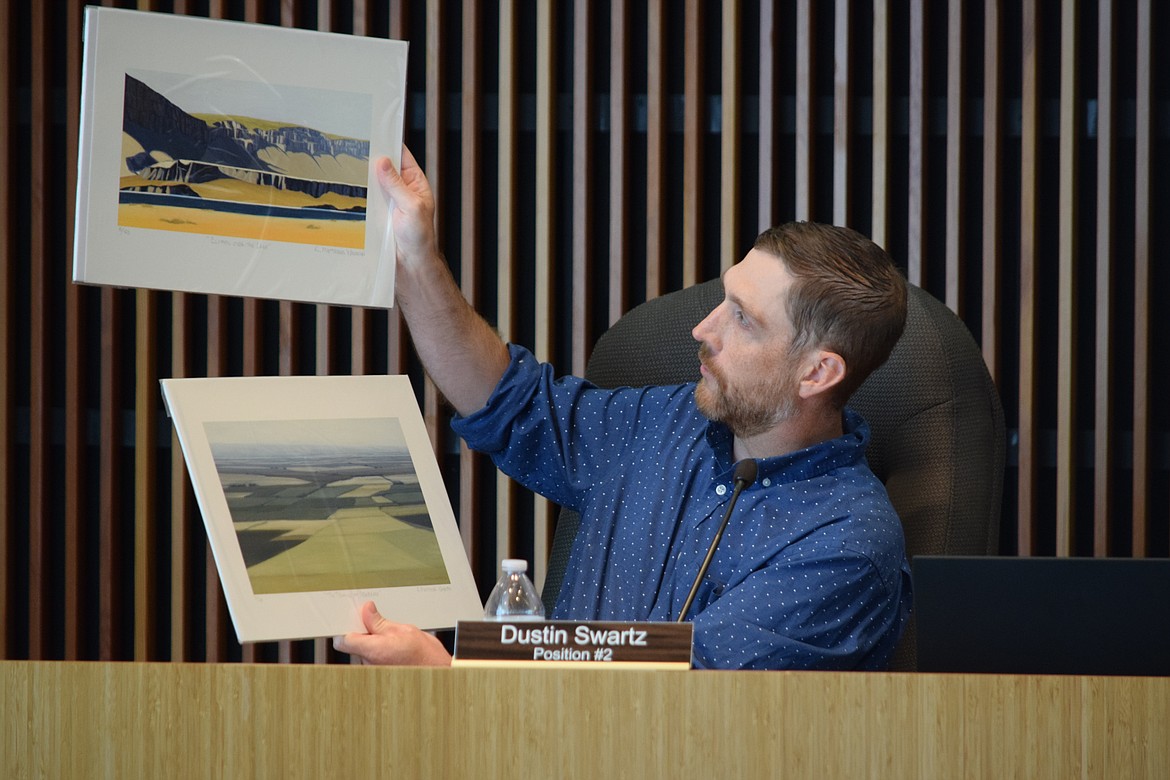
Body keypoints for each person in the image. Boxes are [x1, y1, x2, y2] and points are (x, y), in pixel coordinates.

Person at [334, 147, 912, 669]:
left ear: (818, 372)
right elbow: (507, 403)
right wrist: (415, 259)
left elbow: (676, 713)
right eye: (723, 299)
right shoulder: (665, 422)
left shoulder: (847, 547)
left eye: (743, 318)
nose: (702, 329)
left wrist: (446, 680)